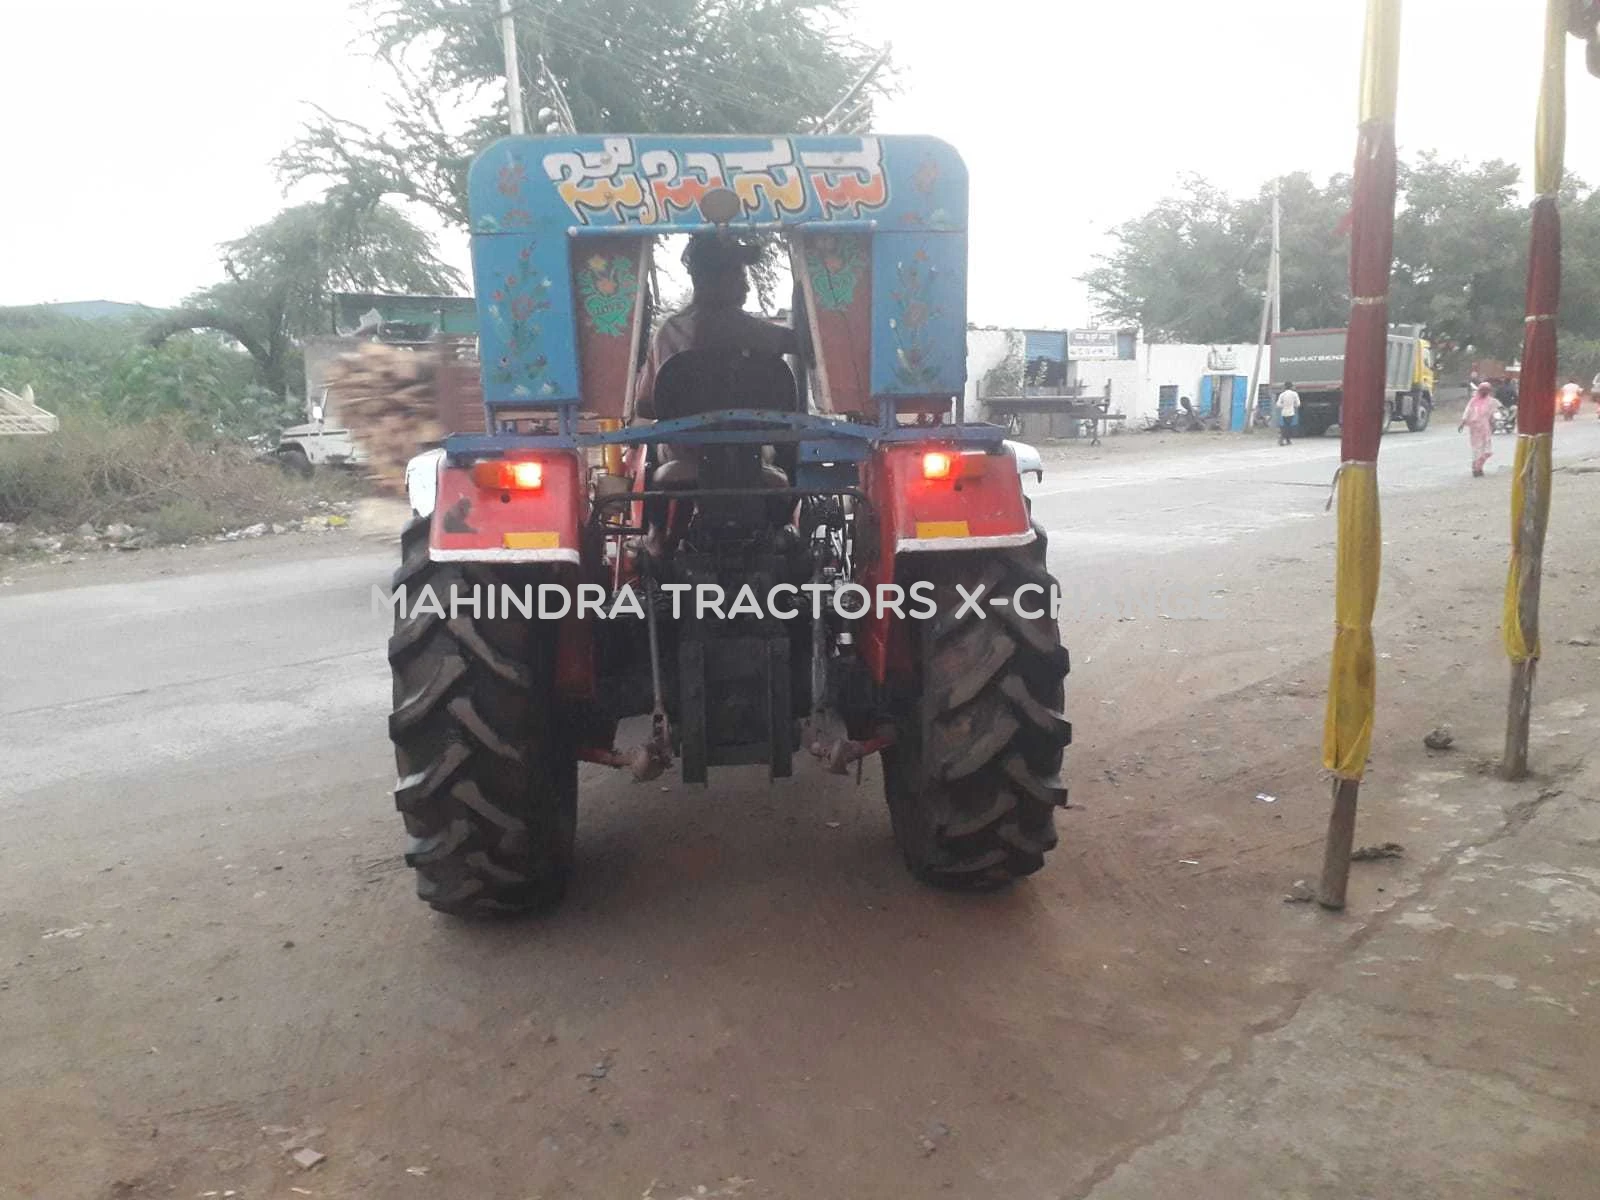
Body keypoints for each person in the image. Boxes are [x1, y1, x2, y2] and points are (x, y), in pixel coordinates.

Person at [630, 234, 797, 421]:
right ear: (713, 280)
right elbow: (800, 343)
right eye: (739, 277)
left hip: (684, 448)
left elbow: (644, 406)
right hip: (747, 447)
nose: (746, 287)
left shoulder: (668, 332)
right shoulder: (747, 329)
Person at [1459, 381, 1498, 477]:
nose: (1484, 392)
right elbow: (1467, 411)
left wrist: (1494, 424)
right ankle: (1476, 469)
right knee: (1477, 448)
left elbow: (1493, 415)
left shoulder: (1491, 401)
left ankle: (1479, 466)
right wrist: (1463, 422)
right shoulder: (1473, 401)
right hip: (1475, 428)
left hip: (1485, 428)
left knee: (1486, 450)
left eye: (1486, 390)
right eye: (1482, 390)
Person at [1275, 381, 1301, 445]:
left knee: (1285, 425)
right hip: (1291, 412)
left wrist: (1283, 405)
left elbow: (1278, 404)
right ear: (1291, 386)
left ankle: (1287, 440)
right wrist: (1293, 405)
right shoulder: (1294, 394)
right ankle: (1283, 439)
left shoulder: (1282, 394)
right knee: (1289, 426)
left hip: (1284, 412)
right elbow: (1298, 404)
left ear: (1285, 387)